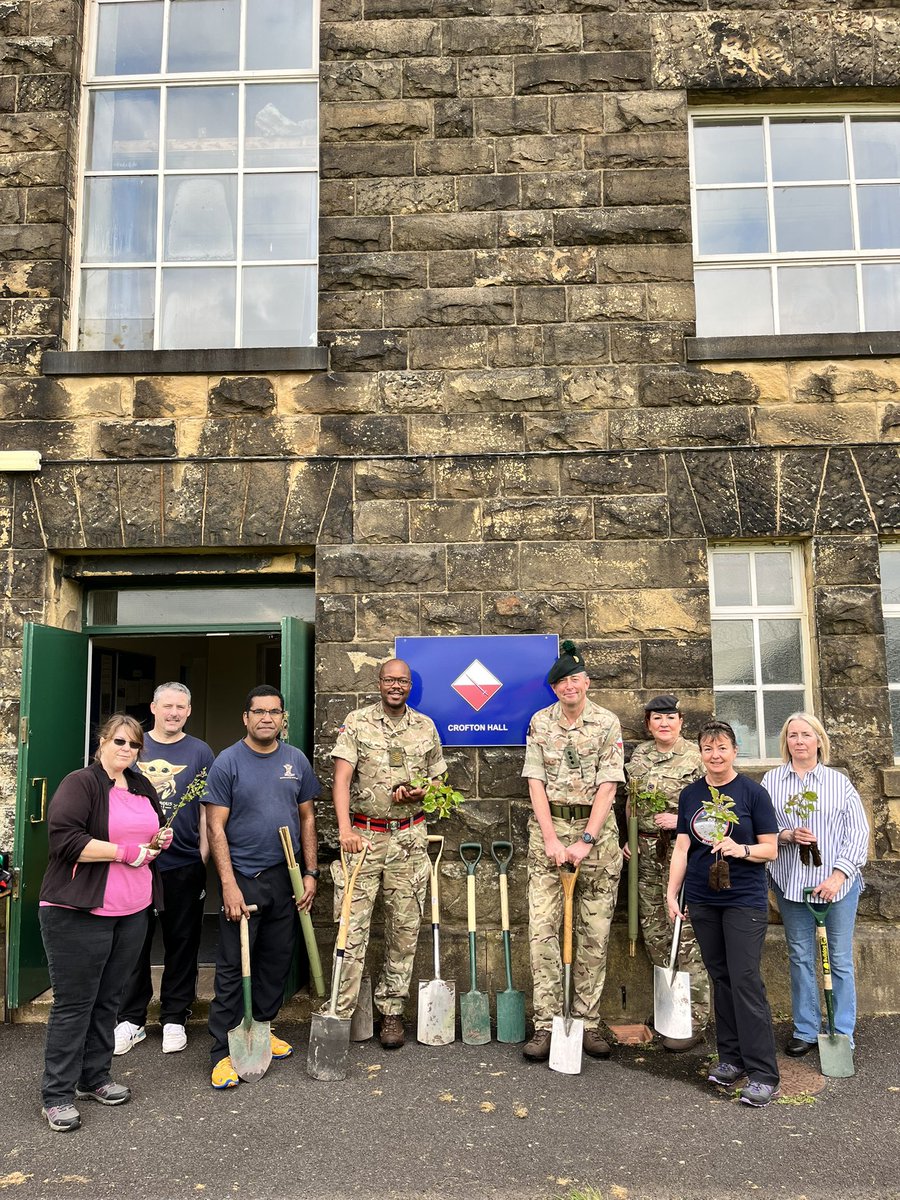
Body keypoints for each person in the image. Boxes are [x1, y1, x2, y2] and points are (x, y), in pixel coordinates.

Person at [38, 714, 170, 1132]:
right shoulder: (80, 783)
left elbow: (148, 835)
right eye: (119, 742)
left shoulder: (142, 785)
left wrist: (156, 843)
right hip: (78, 912)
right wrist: (123, 852)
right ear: (101, 741)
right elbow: (66, 841)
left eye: (133, 745)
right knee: (75, 1003)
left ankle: (93, 1077)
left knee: (110, 999)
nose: (126, 750)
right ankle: (56, 1095)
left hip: (131, 910)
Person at [203, 685, 319, 1088]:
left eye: (274, 711)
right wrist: (228, 885)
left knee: (274, 961)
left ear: (283, 717)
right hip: (244, 879)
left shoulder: (296, 761)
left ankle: (263, 1029)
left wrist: (310, 872)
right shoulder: (228, 762)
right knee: (235, 969)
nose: (267, 718)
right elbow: (215, 827)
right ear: (246, 717)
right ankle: (222, 1052)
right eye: (259, 711)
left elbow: (306, 818)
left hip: (284, 878)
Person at [329, 658, 447, 1049]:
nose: (396, 686)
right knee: (352, 925)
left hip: (409, 839)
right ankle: (341, 1012)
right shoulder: (358, 722)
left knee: (404, 928)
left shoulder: (424, 726)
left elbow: (437, 781)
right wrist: (344, 829)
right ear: (379, 683)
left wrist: (420, 793)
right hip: (363, 837)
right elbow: (342, 778)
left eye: (403, 681)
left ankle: (392, 1012)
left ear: (410, 686)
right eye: (389, 680)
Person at [666, 718, 780, 1107]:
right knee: (721, 977)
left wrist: (740, 849)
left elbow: (771, 849)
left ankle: (763, 1072)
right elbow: (683, 848)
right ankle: (731, 1059)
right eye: (708, 749)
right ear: (700, 753)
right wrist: (672, 892)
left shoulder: (752, 794)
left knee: (745, 979)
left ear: (734, 751)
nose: (715, 755)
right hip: (701, 898)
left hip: (743, 898)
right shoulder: (691, 794)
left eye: (722, 748)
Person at [520, 639, 625, 1062]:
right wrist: (550, 837)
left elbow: (609, 784)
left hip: (595, 835)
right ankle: (547, 1024)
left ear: (587, 682)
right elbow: (535, 781)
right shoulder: (539, 723)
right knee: (543, 930)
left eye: (575, 679)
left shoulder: (607, 723)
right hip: (549, 828)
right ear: (555, 688)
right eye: (561, 681)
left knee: (594, 934)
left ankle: (587, 1022)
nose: (569, 687)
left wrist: (585, 840)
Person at [114, 682, 215, 1056]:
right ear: (154, 707)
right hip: (137, 863)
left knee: (183, 941)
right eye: (167, 705)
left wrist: (201, 853)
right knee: (133, 941)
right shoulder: (134, 746)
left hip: (184, 863)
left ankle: (175, 1016)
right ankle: (132, 1020)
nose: (174, 712)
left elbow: (207, 807)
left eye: (181, 707)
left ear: (189, 711)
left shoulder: (201, 751)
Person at [762, 712, 869, 1056]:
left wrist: (838, 875)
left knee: (838, 959)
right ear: (786, 743)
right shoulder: (772, 782)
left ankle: (841, 1030)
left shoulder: (839, 784)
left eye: (806, 735)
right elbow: (762, 829)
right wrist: (787, 835)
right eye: (792, 735)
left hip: (836, 885)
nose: (799, 741)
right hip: (793, 884)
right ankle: (806, 1029)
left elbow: (859, 833)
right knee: (801, 956)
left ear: (818, 741)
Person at [625, 694, 708, 1051]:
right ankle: (669, 1013)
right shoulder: (639, 756)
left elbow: (714, 805)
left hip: (680, 849)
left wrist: (682, 819)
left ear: (681, 721)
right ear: (648, 724)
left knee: (684, 933)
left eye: (670, 718)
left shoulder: (697, 757)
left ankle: (696, 1018)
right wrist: (626, 834)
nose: (663, 724)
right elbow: (631, 798)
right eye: (656, 718)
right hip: (643, 852)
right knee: (655, 932)